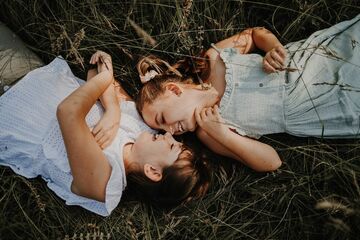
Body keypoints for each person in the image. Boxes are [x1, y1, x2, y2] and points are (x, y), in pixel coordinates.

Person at [135, 15, 360, 172]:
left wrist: (272, 48)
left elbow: (254, 34)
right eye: (162, 130)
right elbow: (271, 162)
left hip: (311, 61)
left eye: (163, 119)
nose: (170, 132)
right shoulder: (209, 132)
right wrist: (224, 134)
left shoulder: (212, 61)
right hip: (318, 106)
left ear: (174, 90)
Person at [0, 50, 211, 217]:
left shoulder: (105, 181)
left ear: (153, 171)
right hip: (32, 69)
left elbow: (68, 112)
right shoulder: (140, 129)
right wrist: (112, 110)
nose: (169, 136)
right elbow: (98, 72)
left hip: (8, 110)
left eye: (173, 146)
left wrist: (105, 79)